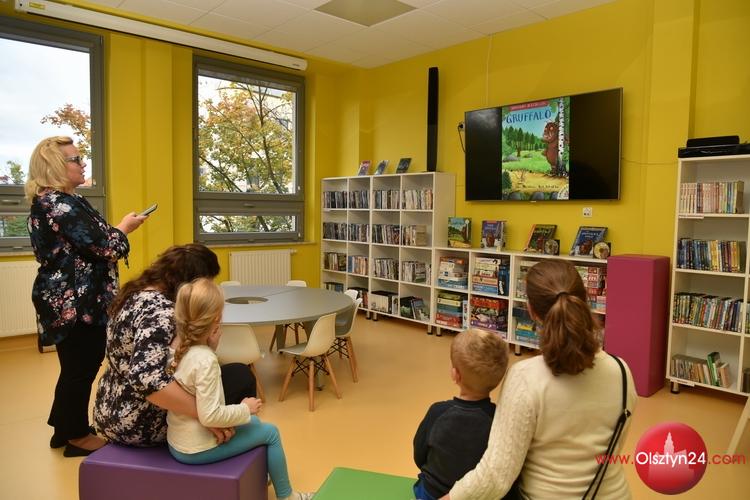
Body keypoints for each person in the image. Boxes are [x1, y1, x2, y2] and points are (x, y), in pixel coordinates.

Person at [444, 259, 637, 499]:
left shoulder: (525, 377)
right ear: (584, 301)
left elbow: (496, 477)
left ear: (531, 311)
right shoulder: (622, 371)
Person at [26, 136, 146, 457]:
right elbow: (106, 247)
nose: (82, 164)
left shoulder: (65, 201)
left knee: (75, 366)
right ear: (55, 166)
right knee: (81, 367)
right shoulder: (60, 204)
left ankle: (62, 428)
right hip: (75, 302)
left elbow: (94, 239)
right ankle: (76, 435)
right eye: (75, 159)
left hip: (73, 298)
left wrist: (115, 231)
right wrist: (125, 228)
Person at [94, 243, 256, 448]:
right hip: (138, 423)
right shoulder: (162, 313)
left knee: (230, 374)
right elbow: (148, 381)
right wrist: (208, 417)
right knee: (241, 377)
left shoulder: (133, 294)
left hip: (110, 411)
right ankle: (222, 442)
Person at [166, 278, 312, 500]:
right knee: (271, 433)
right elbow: (209, 416)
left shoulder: (180, 349)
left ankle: (262, 473)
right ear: (215, 324)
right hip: (196, 448)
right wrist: (245, 407)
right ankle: (287, 496)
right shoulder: (206, 360)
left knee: (255, 424)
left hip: (178, 441)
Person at [413, 328, 508, 500]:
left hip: (432, 493)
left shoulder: (438, 412)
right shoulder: (498, 420)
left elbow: (419, 455)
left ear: (455, 375)